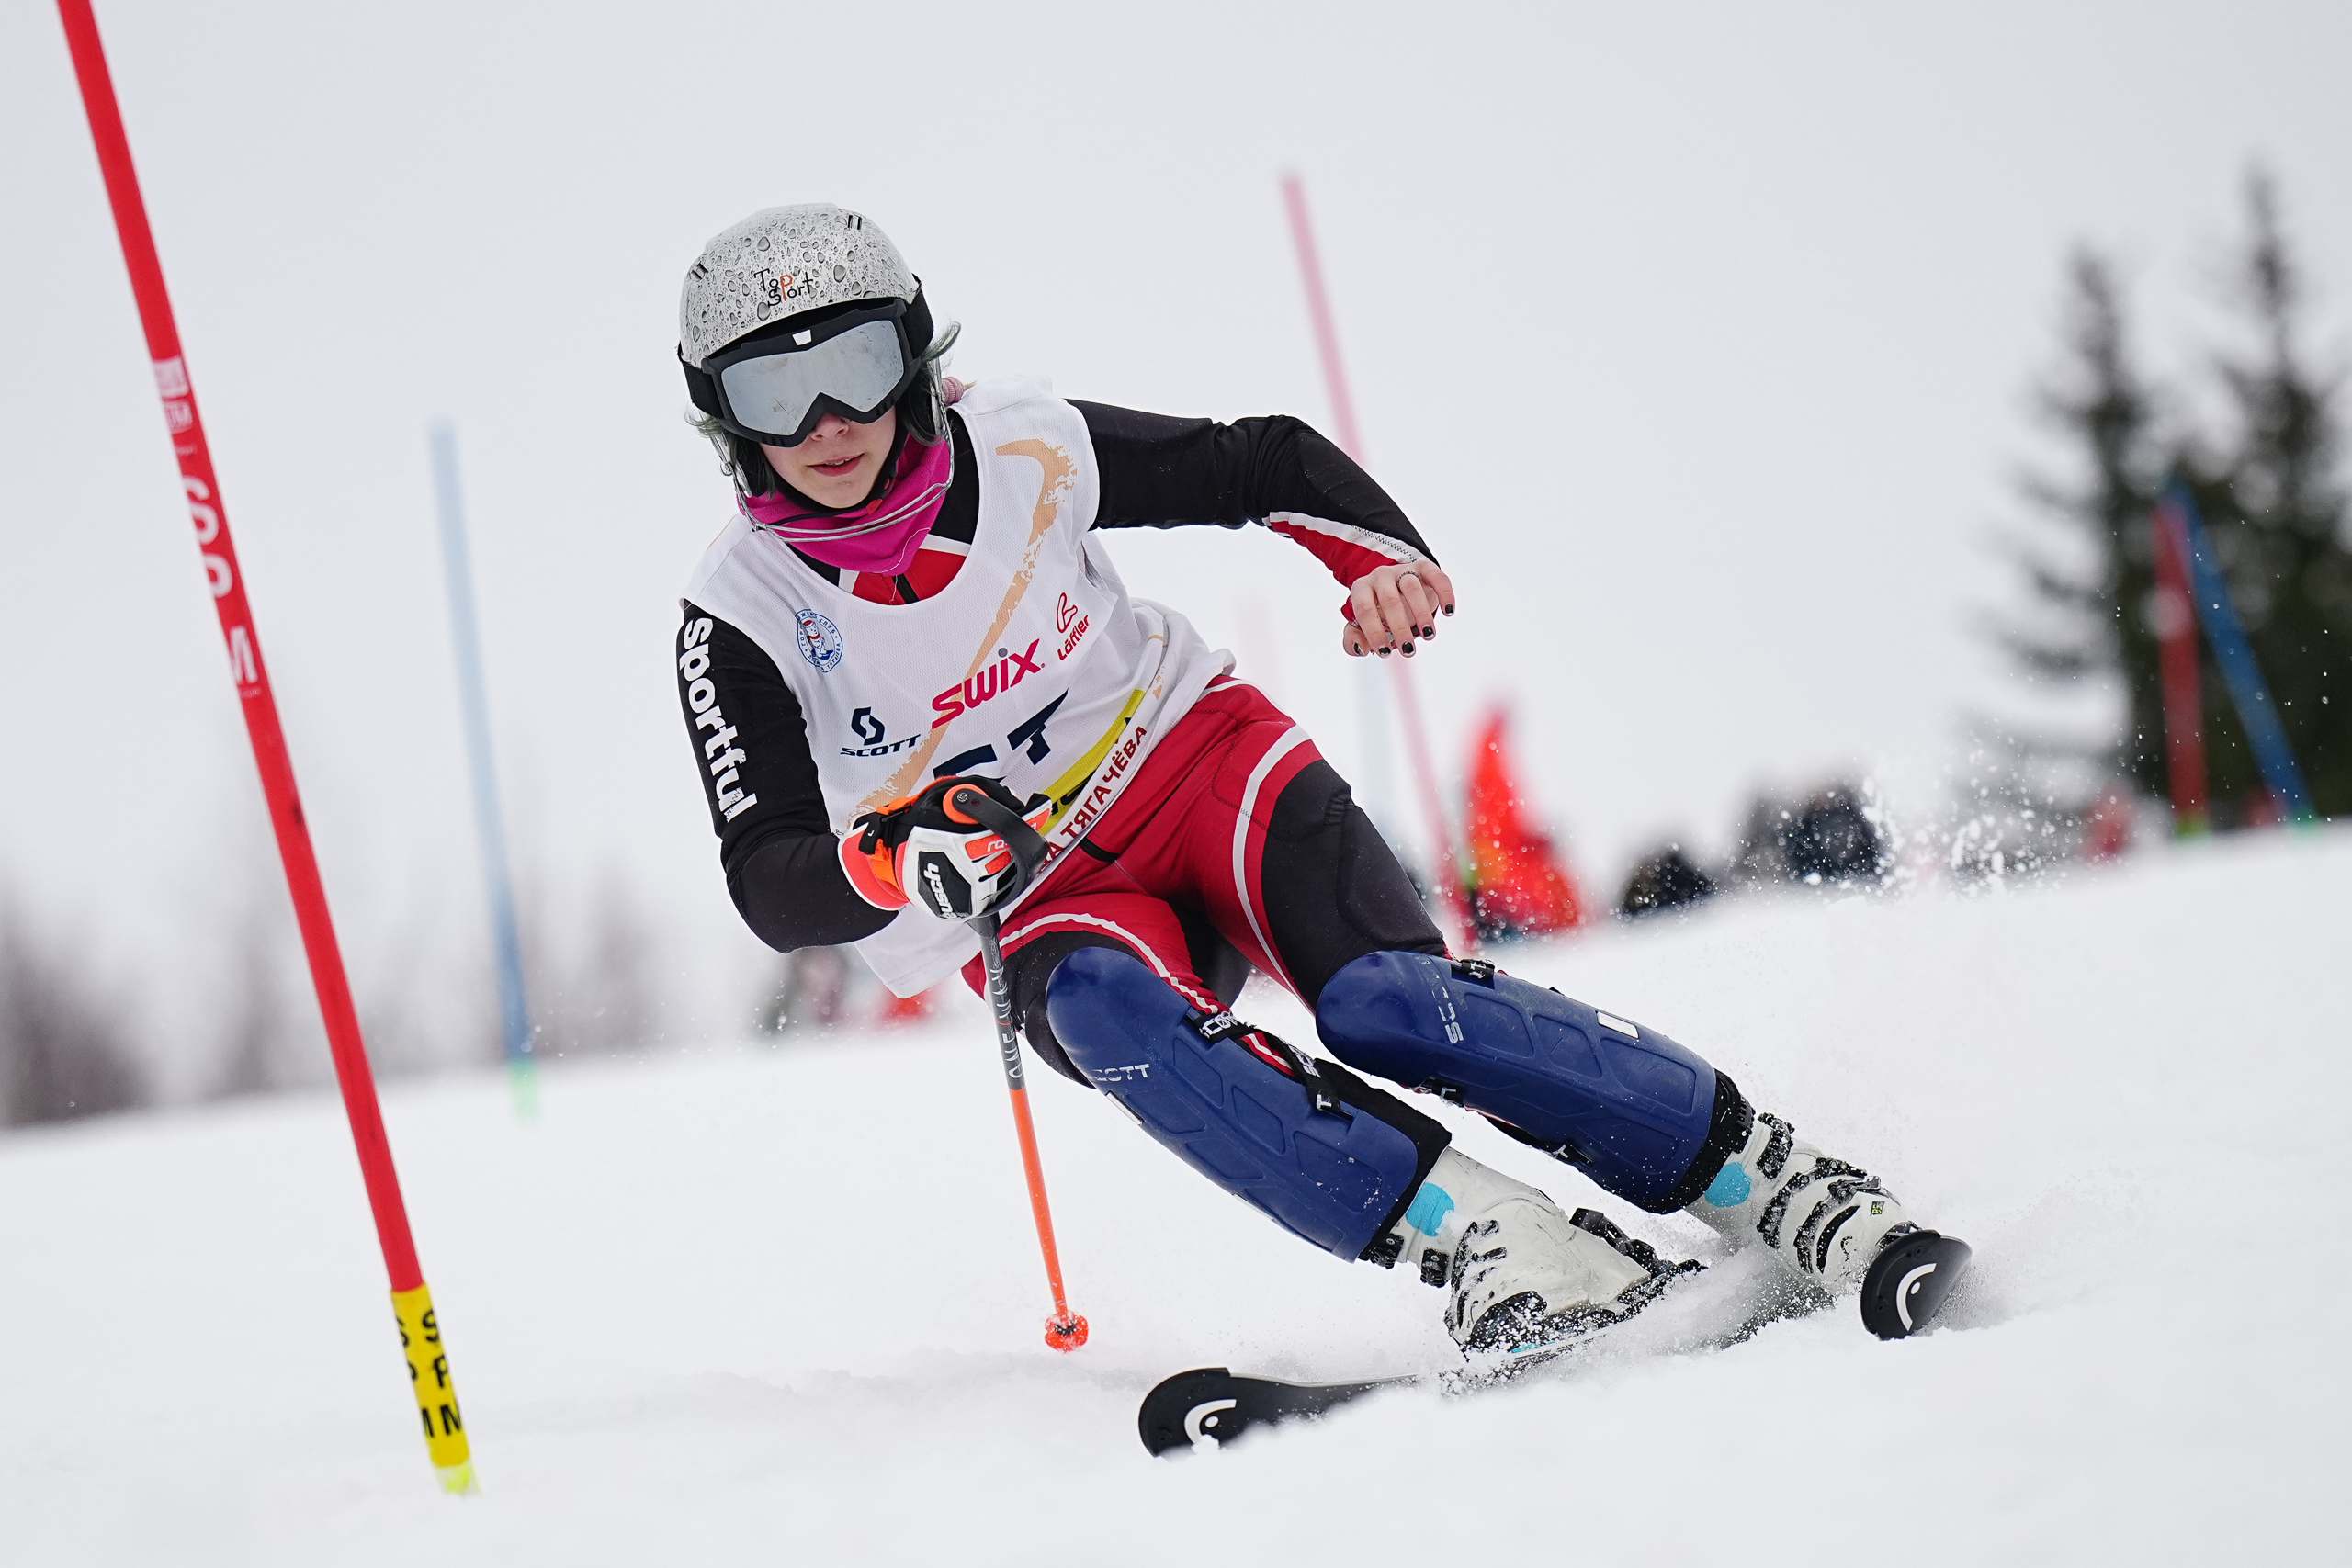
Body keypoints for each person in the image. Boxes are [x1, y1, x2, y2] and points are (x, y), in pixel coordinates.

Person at [671, 203, 1967, 1360]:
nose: (826, 423)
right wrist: (889, 855)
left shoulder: (1019, 449)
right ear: (723, 416)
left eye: (854, 367)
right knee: (1112, 1017)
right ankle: (1496, 1240)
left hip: (1191, 761)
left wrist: (1377, 555)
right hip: (1038, 888)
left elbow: (1261, 461)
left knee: (1385, 1001)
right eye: (773, 390)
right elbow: (767, 878)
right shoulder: (740, 612)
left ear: (913, 354)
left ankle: (1770, 1180)